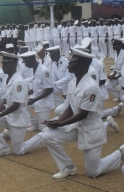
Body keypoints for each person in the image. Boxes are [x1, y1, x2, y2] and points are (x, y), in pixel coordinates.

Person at [42, 47, 124, 179]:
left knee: (93, 172)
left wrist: (60, 122)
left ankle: (120, 153)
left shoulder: (91, 87)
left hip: (91, 129)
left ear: (81, 65)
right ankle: (68, 167)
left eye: (72, 62)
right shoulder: (73, 83)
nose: (68, 64)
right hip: (76, 127)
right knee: (48, 136)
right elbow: (69, 107)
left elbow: (83, 114)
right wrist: (58, 122)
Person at [0, 51, 43, 157]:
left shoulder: (19, 82)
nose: (3, 66)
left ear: (14, 64)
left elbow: (16, 105)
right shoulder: (7, 79)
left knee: (18, 151)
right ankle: (2, 148)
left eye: (5, 64)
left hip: (18, 119)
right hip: (8, 116)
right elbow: (5, 101)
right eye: (3, 64)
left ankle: (42, 136)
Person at [21, 51, 54, 132]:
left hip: (44, 102)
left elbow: (50, 89)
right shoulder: (33, 70)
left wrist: (34, 100)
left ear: (32, 60)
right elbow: (36, 88)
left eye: (26, 62)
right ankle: (35, 122)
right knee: (21, 107)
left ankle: (55, 125)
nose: (25, 64)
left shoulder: (44, 71)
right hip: (36, 98)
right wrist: (25, 94)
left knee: (43, 129)